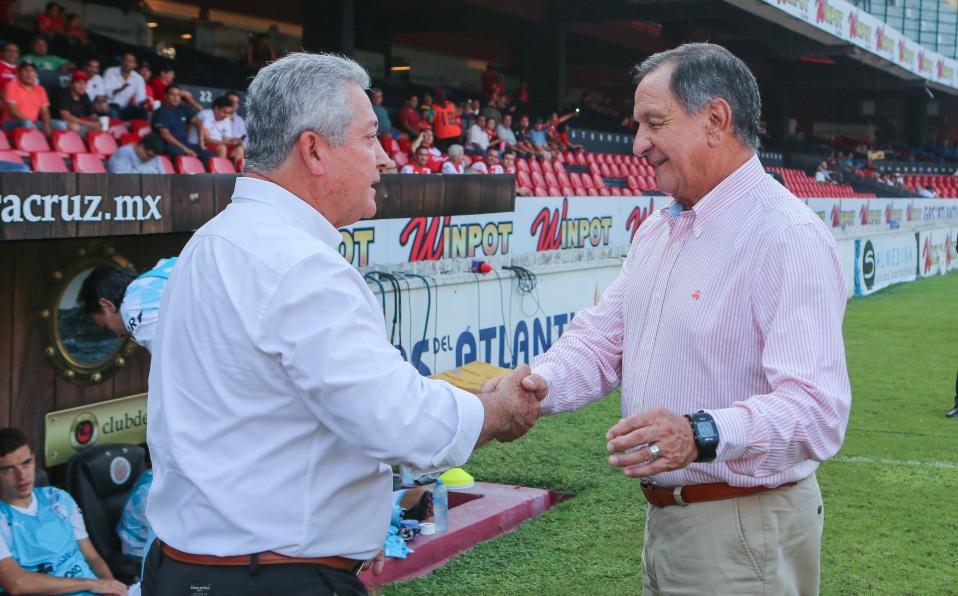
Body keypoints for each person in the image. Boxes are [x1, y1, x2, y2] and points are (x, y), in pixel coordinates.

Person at [141, 52, 543, 595]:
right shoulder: (298, 262)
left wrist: (348, 528)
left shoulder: (214, 240)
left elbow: (269, 422)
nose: (384, 157)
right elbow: (398, 422)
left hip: (197, 568)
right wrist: (494, 410)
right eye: (370, 137)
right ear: (313, 150)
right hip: (268, 578)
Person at [514, 43, 851, 594]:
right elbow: (603, 342)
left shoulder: (784, 235)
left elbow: (817, 411)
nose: (639, 143)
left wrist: (700, 433)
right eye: (638, 124)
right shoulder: (659, 229)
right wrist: (533, 387)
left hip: (743, 525)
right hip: (674, 521)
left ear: (716, 120)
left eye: (654, 122)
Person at [0, 428, 127, 596]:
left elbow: (91, 557)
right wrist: (91, 584)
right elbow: (17, 583)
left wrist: (110, 588)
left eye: (26, 463)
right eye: (8, 469)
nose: (22, 475)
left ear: (34, 459)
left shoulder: (57, 498)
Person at [78, 256, 176, 353]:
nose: (120, 336)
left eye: (107, 327)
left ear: (107, 305)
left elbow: (172, 357)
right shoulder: (165, 266)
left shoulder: (133, 307)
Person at [152, 84, 214, 162]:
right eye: (172, 94)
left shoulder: (181, 108)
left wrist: (201, 140)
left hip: (184, 143)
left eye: (178, 95)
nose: (176, 97)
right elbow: (165, 135)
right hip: (168, 145)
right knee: (182, 155)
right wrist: (184, 148)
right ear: (165, 96)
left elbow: (198, 121)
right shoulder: (161, 112)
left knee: (210, 156)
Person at [2, 60, 55, 135]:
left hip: (33, 122)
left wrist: (46, 126)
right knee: (26, 123)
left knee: (59, 125)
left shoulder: (40, 89)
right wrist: (29, 123)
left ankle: (52, 146)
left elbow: (45, 111)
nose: (29, 73)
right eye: (25, 70)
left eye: (32, 71)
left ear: (35, 74)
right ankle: (30, 146)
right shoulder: (11, 86)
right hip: (11, 122)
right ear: (19, 74)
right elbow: (12, 110)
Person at [191, 95, 244, 167]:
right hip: (200, 145)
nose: (226, 115)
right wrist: (226, 142)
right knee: (222, 148)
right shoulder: (206, 114)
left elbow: (227, 139)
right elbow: (206, 140)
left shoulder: (226, 120)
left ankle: (238, 176)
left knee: (239, 149)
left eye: (228, 113)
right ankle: (222, 175)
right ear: (216, 109)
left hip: (218, 145)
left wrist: (235, 141)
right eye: (224, 112)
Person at [51, 69, 105, 136]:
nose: (82, 86)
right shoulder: (63, 94)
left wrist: (97, 121)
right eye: (79, 82)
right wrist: (89, 123)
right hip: (56, 121)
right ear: (71, 84)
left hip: (75, 123)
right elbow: (66, 116)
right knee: (74, 126)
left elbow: (91, 114)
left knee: (97, 128)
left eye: (85, 83)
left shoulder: (84, 96)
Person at [103, 53, 149, 121]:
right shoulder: (110, 72)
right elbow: (104, 93)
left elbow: (139, 101)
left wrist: (143, 102)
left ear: (135, 65)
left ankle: (139, 131)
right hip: (108, 105)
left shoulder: (138, 78)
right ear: (121, 62)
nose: (128, 63)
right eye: (125, 60)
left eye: (131, 61)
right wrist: (119, 90)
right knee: (114, 111)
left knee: (143, 111)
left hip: (124, 109)